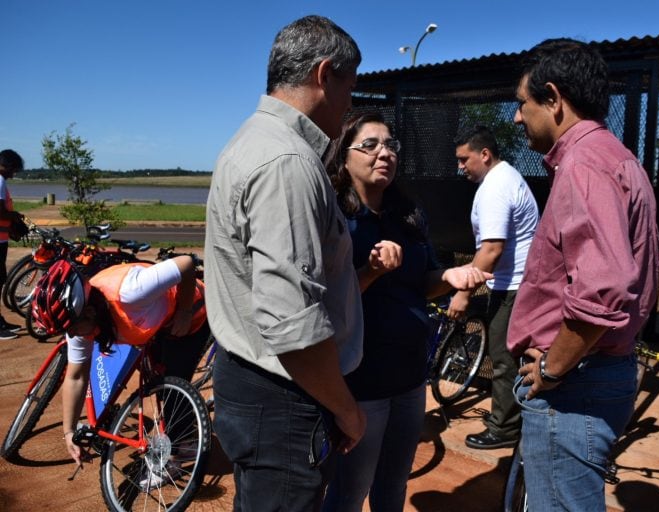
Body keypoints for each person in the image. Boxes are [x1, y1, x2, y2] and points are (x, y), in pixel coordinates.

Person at [204, 16, 368, 511]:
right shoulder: (287, 162)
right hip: (283, 398)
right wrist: (346, 410)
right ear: (324, 75)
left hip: (259, 387)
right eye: (350, 86)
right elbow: (292, 324)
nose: (350, 103)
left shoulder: (256, 141)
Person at [506, 39, 659, 511]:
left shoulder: (584, 165)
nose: (516, 117)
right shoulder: (617, 158)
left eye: (521, 104)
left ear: (553, 99)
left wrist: (554, 368)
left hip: (576, 385)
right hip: (595, 374)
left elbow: (604, 288)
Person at [321, 113, 492, 511]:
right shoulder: (335, 219)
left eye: (390, 145)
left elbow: (424, 282)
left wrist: (449, 276)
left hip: (411, 377)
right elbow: (329, 301)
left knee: (393, 488)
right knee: (349, 492)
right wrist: (371, 271)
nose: (384, 152)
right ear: (343, 158)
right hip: (362, 383)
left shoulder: (409, 215)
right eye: (370, 145)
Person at [30, 255, 209, 485]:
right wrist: (69, 431)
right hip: (156, 321)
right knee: (157, 375)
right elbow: (75, 377)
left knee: (171, 383)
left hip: (190, 310)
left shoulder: (131, 291)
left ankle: (182, 449)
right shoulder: (77, 319)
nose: (72, 336)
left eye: (72, 329)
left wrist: (185, 312)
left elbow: (186, 264)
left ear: (89, 313)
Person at [448, 126, 539, 450]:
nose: (460, 167)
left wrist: (462, 294)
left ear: (484, 154)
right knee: (509, 355)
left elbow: (491, 250)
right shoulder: (507, 177)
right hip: (519, 281)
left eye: (464, 159)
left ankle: (505, 429)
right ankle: (513, 418)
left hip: (513, 285)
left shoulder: (495, 189)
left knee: (502, 359)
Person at [0, 149, 25, 340]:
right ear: (5, 165)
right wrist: (15, 217)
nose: (13, 173)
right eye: (13, 169)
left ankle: (0, 320)